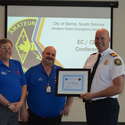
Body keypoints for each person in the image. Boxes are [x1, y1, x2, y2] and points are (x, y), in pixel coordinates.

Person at [80, 28, 125, 125]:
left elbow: (118, 88)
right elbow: (82, 79)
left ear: (109, 39)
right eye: (96, 38)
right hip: (91, 106)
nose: (99, 41)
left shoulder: (115, 59)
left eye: (102, 38)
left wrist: (93, 95)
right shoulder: (91, 58)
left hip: (106, 106)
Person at [21, 46, 73, 125]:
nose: (50, 56)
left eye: (53, 55)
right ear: (42, 54)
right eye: (48, 53)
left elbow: (70, 90)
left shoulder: (61, 71)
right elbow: (23, 92)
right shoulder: (32, 71)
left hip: (55, 117)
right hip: (34, 116)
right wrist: (23, 110)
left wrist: (68, 106)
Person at [0, 38, 27, 125]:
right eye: (4, 48)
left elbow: (23, 85)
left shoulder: (17, 64)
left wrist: (21, 102)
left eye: (9, 48)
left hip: (16, 107)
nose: (7, 50)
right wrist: (8, 104)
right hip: (2, 108)